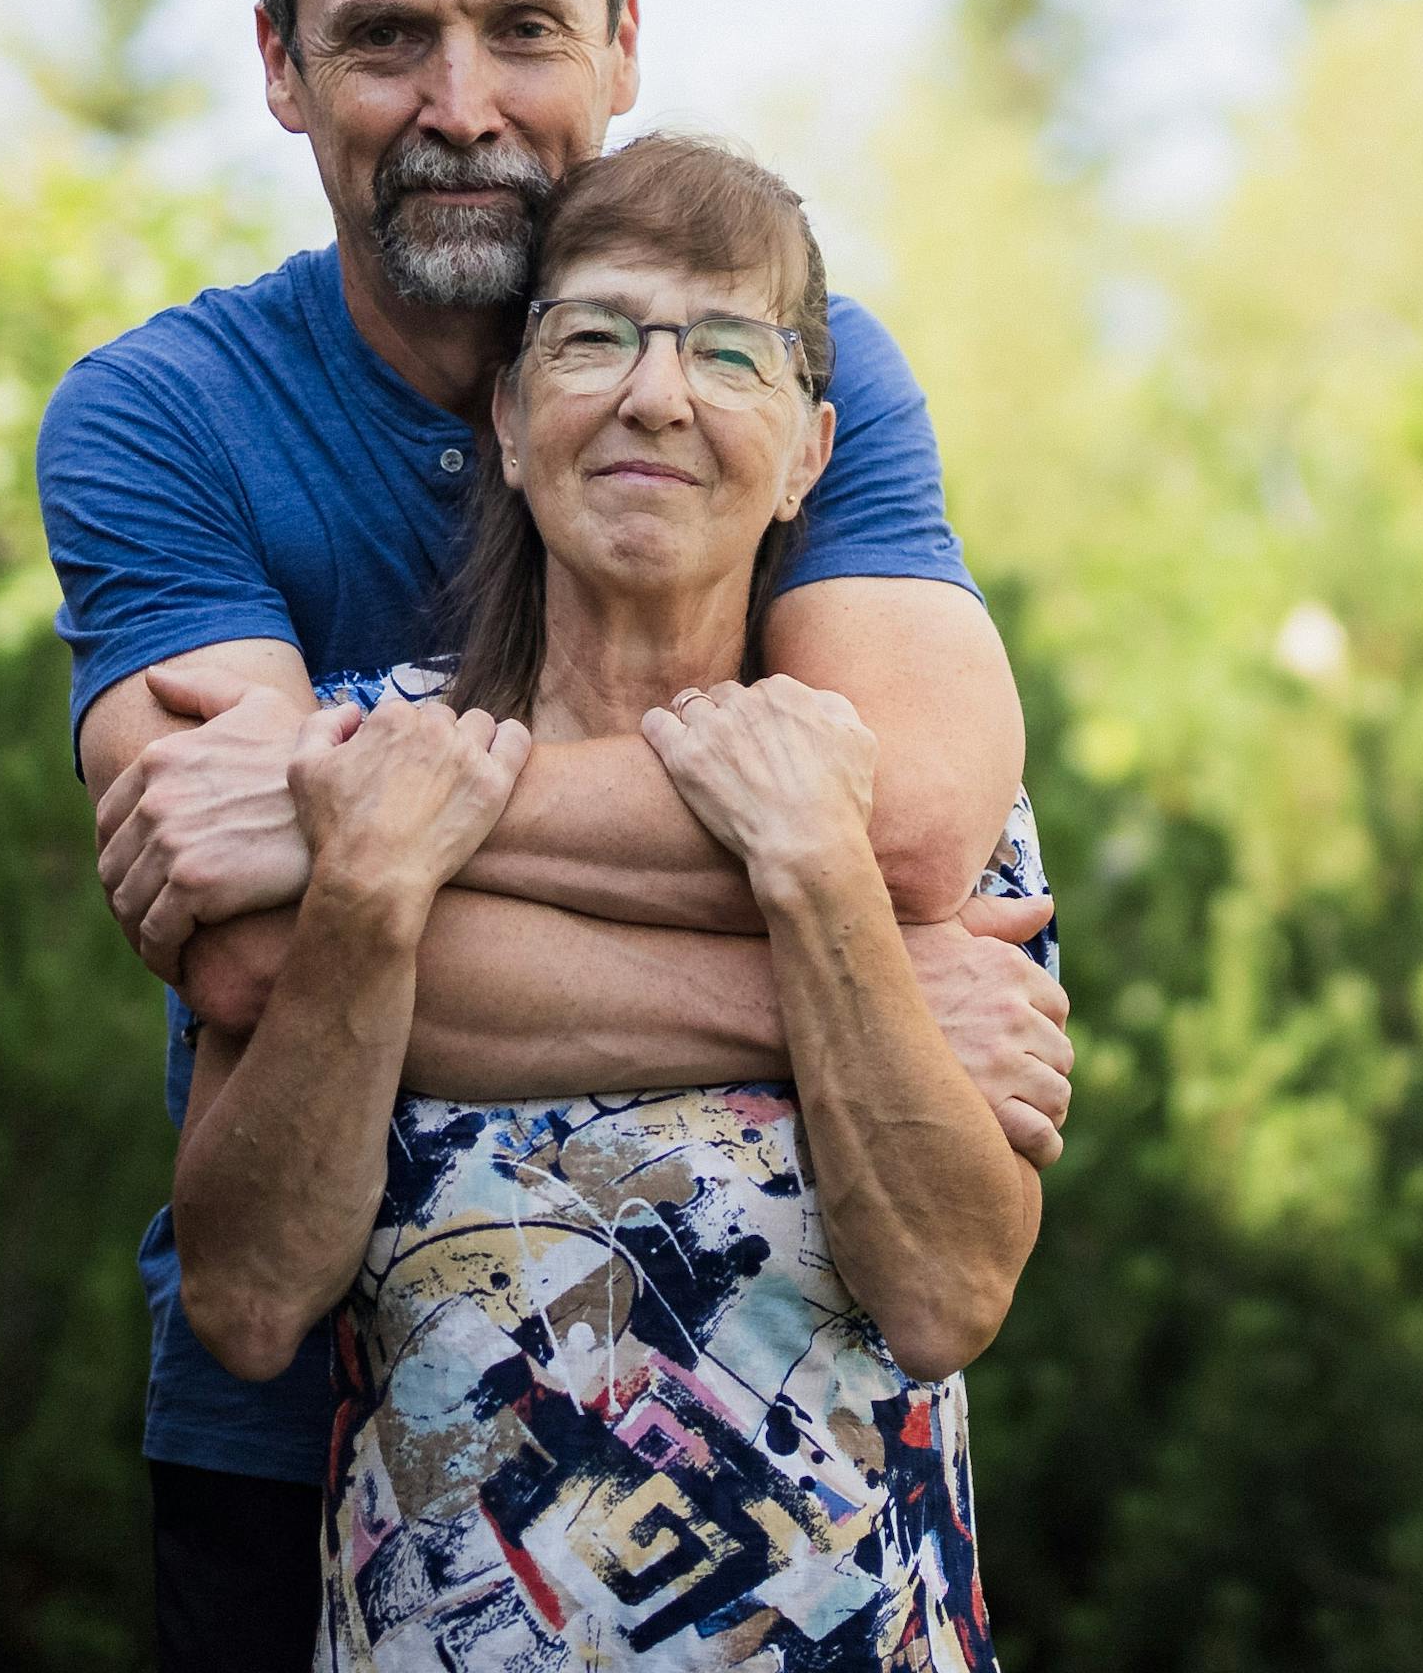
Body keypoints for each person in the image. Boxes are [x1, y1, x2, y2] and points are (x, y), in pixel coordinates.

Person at [39, 0, 1072, 1673]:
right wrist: (848, 1003)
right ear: (279, 65)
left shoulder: (795, 351)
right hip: (318, 1456)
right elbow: (264, 950)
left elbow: (915, 830)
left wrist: (376, 821)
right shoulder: (162, 419)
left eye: (520, 27)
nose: (461, 104)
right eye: (383, 38)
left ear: (616, 42)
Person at [176, 136, 1038, 1670]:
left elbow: (948, 1293)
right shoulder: (356, 765)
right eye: (593, 338)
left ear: (810, 453)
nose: (657, 395)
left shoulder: (895, 800)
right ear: (509, 421)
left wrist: (822, 881)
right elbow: (247, 1304)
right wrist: (373, 893)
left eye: (728, 353)